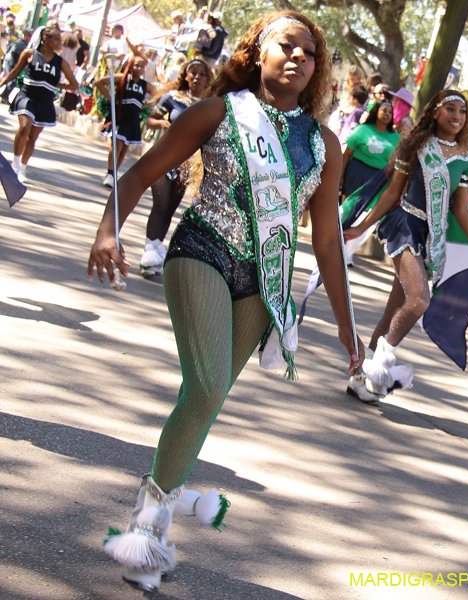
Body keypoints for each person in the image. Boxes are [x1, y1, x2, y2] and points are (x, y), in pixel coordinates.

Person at [87, 11, 363, 591]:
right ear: (256, 53)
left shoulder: (325, 144)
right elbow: (139, 174)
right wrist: (109, 230)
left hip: (264, 278)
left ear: (317, 69)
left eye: (309, 54)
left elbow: (327, 240)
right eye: (286, 47)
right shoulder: (217, 111)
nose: (298, 58)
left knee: (205, 400)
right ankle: (157, 517)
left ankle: (158, 506)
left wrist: (346, 324)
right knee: (208, 383)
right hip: (203, 250)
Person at [343, 90, 468, 400]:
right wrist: (362, 226)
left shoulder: (465, 156)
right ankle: (383, 364)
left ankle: (359, 377)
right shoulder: (413, 145)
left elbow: (460, 208)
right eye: (450, 109)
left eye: (462, 111)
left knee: (393, 313)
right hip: (403, 226)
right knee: (419, 299)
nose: (457, 116)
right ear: (434, 112)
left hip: (430, 236)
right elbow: (391, 193)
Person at [139, 59, 213, 277]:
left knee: (170, 210)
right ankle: (149, 252)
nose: (197, 77)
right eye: (193, 73)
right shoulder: (172, 98)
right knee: (159, 206)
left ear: (208, 78)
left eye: (202, 74)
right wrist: (162, 124)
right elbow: (150, 120)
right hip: (164, 158)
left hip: (187, 166)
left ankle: (155, 252)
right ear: (186, 76)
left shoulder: (210, 104)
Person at [0, 26, 78, 183]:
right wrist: (1, 83)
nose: (59, 42)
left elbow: (74, 84)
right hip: (27, 96)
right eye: (56, 39)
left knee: (32, 138)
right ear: (45, 39)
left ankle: (23, 167)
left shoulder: (60, 62)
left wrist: (54, 85)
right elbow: (15, 72)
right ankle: (14, 166)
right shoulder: (29, 54)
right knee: (24, 127)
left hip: (44, 101)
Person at [96, 55, 158, 187]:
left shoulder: (144, 85)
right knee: (116, 145)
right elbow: (99, 82)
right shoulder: (123, 79)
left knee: (124, 149)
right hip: (120, 116)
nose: (139, 68)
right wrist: (110, 98)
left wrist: (146, 105)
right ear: (130, 65)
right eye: (136, 65)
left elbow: (158, 95)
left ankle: (113, 174)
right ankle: (110, 174)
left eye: (142, 66)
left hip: (133, 118)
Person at [340, 100, 399, 199]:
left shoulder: (396, 137)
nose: (387, 114)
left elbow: (396, 162)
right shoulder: (362, 129)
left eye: (390, 112)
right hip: (356, 174)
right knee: (348, 209)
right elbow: (347, 154)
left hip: (378, 178)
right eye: (384, 110)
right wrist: (340, 176)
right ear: (376, 112)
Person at [0, 28, 31, 104]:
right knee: (11, 80)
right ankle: (4, 96)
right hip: (11, 62)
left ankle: (4, 95)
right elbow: (14, 54)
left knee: (10, 80)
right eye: (30, 35)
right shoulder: (19, 43)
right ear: (26, 35)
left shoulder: (25, 44)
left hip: (13, 63)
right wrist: (16, 64)